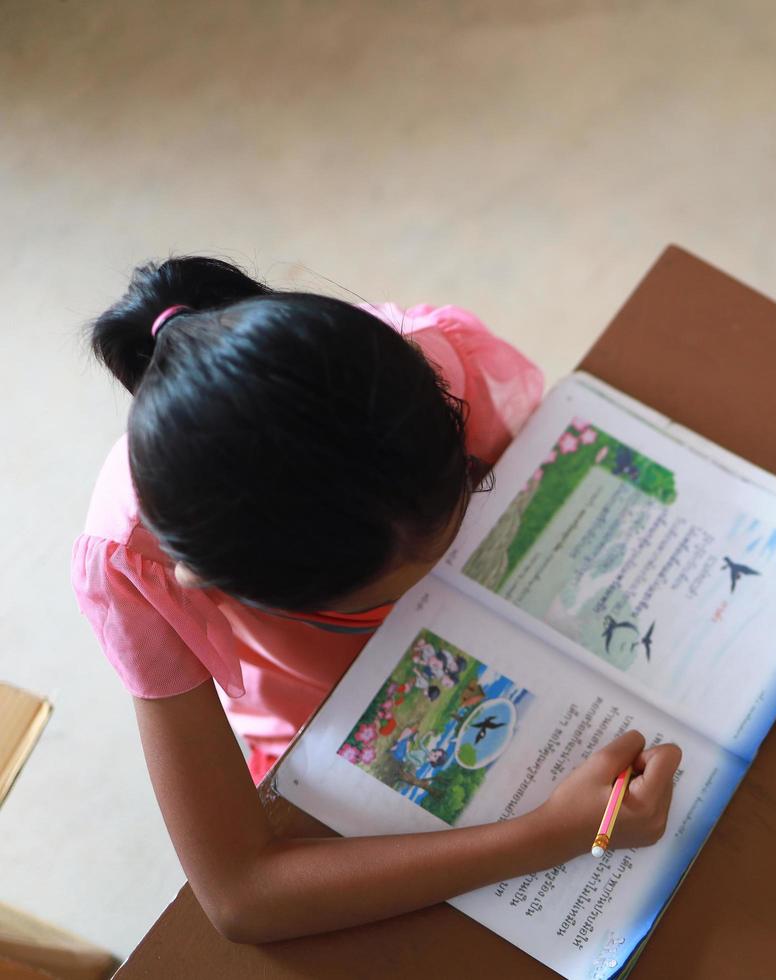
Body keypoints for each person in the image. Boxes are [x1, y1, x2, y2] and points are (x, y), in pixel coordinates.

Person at [72, 256, 681, 942]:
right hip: (328, 739)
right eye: (377, 598)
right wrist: (548, 835)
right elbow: (240, 895)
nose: (431, 591)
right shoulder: (136, 563)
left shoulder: (420, 370)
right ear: (211, 585)